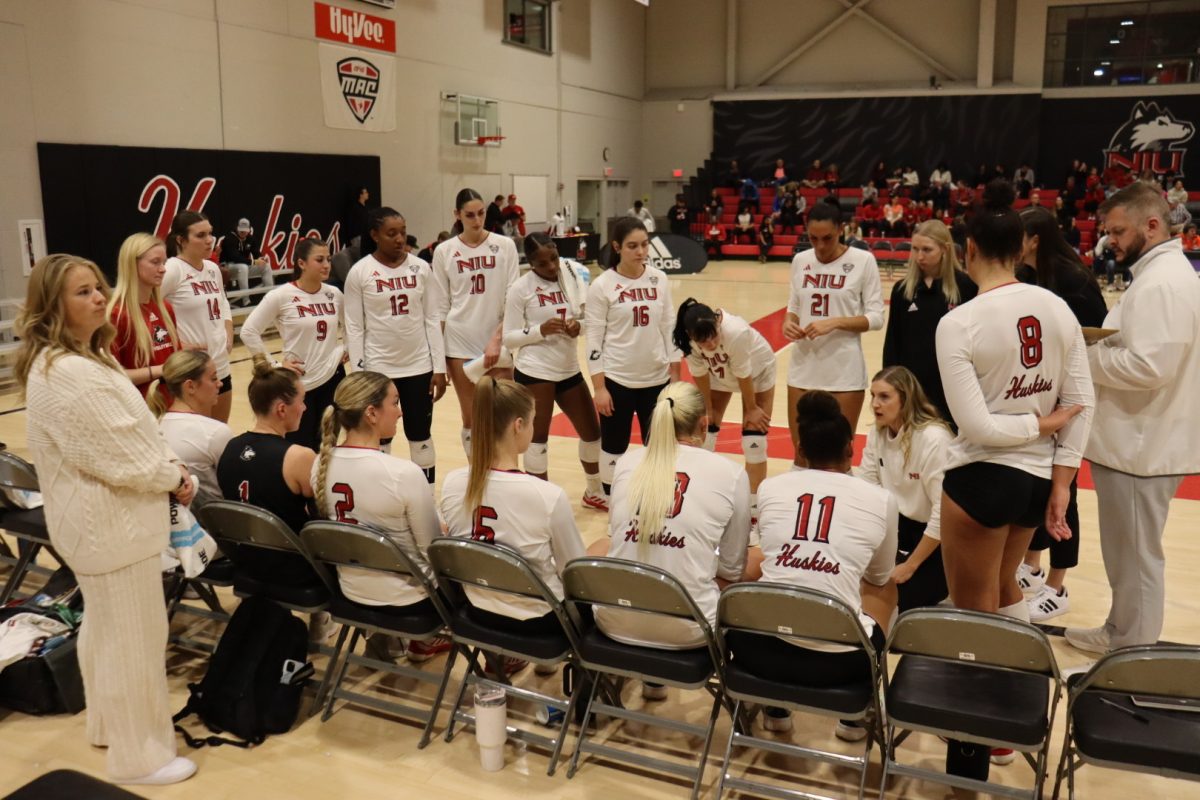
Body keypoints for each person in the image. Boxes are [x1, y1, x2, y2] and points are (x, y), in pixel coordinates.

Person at [17, 254, 198, 785]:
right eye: (82, 292)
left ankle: (108, 725)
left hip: (99, 525)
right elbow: (123, 456)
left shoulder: (75, 360)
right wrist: (174, 476)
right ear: (53, 307)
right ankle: (141, 755)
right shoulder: (70, 372)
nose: (98, 297)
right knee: (135, 638)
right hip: (110, 526)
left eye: (97, 287)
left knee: (106, 629)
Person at [934, 180, 1094, 620]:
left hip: (982, 477)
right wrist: (1062, 483)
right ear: (1020, 247)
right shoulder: (1059, 307)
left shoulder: (958, 322)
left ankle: (984, 689)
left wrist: (1036, 425)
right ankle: (1020, 684)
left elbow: (978, 429)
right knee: (1006, 589)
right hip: (1038, 480)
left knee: (972, 612)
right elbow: (1082, 403)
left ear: (968, 249)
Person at [1065, 182, 1200, 655]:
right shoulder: (1156, 275)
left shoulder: (1164, 282)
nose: (1110, 241)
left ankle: (1135, 656)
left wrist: (1084, 356)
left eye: (1118, 231)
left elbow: (1150, 367)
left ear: (1152, 224)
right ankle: (1119, 631)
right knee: (1125, 555)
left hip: (1145, 446)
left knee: (1139, 559)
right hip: (1134, 442)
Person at [746, 390, 897, 736]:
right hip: (842, 664)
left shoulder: (770, 487)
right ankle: (854, 716)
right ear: (851, 450)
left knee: (759, 567)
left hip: (761, 654)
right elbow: (878, 575)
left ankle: (775, 706)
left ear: (799, 451)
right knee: (885, 586)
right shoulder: (880, 500)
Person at [592, 382, 749, 684]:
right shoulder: (730, 473)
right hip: (690, 630)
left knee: (605, 547)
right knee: (755, 561)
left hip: (613, 619)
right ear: (704, 424)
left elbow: (618, 536)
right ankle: (769, 702)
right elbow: (730, 569)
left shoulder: (627, 462)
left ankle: (644, 680)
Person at [440, 378, 585, 662]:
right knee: (599, 552)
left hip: (476, 609)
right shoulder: (547, 496)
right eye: (532, 421)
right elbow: (575, 575)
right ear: (518, 425)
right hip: (538, 622)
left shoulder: (452, 483)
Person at [311, 370, 447, 662]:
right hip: (409, 601)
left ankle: (384, 642)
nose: (400, 412)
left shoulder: (319, 465)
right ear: (371, 413)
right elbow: (432, 551)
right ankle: (422, 643)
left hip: (349, 590)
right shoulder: (402, 474)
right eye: (395, 403)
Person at [1012, 206, 1108, 620]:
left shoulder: (1074, 280)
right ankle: (1032, 566)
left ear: (1034, 239)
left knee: (1062, 494)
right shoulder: (1032, 276)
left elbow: (1097, 338)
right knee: (1038, 485)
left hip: (1071, 399)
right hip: (1042, 396)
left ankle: (1057, 584)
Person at [344, 207, 446, 481]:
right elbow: (353, 327)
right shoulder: (360, 272)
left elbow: (432, 318)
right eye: (392, 234)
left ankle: (427, 499)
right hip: (378, 370)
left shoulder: (421, 268)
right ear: (375, 235)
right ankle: (383, 495)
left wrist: (439, 367)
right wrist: (359, 372)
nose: (400, 239)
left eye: (402, 232)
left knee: (421, 435)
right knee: (381, 438)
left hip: (419, 367)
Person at [503, 233, 604, 507]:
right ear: (531, 263)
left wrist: (578, 326)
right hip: (535, 371)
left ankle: (594, 492)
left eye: (554, 258)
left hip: (568, 368)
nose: (550, 267)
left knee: (593, 434)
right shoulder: (520, 288)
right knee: (537, 440)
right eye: (542, 263)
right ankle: (541, 501)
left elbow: (589, 320)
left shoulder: (573, 274)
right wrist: (539, 330)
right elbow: (508, 337)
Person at [585, 217, 681, 497]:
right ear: (617, 247)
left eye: (644, 244)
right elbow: (593, 339)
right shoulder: (602, 286)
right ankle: (610, 499)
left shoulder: (658, 278)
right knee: (614, 446)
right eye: (632, 246)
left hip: (656, 378)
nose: (641, 252)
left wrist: (675, 374)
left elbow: (669, 328)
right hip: (618, 380)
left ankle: (655, 496)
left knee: (660, 446)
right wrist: (599, 387)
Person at [782, 203, 884, 464]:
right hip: (803, 367)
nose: (820, 246)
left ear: (842, 230)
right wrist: (788, 322)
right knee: (802, 453)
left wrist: (835, 322)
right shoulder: (801, 261)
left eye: (827, 238)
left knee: (840, 455)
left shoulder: (863, 261)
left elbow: (875, 318)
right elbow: (794, 306)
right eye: (813, 238)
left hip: (844, 371)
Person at [432, 189, 520, 458]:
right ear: (457, 215)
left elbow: (513, 299)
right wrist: (439, 360)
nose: (477, 220)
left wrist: (497, 338)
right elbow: (440, 308)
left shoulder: (505, 246)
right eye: (469, 215)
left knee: (504, 416)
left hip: (497, 340)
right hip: (459, 343)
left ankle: (503, 473)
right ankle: (476, 477)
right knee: (471, 418)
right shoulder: (445, 251)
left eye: (481, 213)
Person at [218, 359, 320, 591]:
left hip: (244, 561)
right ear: (282, 409)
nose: (305, 408)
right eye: (302, 401)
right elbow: (321, 515)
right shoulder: (299, 456)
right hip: (292, 568)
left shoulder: (230, 446)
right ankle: (320, 621)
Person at [857, 367, 952, 611]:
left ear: (906, 398)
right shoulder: (876, 434)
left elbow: (943, 513)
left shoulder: (933, 439)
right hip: (895, 531)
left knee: (890, 602)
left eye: (884, 397)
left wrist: (910, 565)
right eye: (873, 396)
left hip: (938, 541)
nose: (875, 404)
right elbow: (867, 493)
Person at [240, 238, 345, 452]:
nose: (326, 264)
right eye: (319, 259)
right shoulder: (280, 295)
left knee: (328, 447)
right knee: (300, 448)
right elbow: (248, 331)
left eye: (328, 259)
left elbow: (353, 326)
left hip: (332, 379)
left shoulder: (334, 294)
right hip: (298, 384)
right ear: (301, 263)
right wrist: (275, 365)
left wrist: (346, 349)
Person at [673, 298, 774, 518]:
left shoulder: (736, 332)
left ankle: (753, 513)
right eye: (702, 341)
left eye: (713, 336)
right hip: (720, 373)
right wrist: (707, 408)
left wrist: (752, 408)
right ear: (691, 336)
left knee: (754, 436)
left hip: (757, 372)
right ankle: (699, 495)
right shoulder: (687, 340)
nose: (709, 344)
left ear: (717, 321)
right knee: (706, 426)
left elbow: (743, 374)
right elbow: (699, 374)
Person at [882, 219, 977, 425]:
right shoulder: (902, 290)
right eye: (915, 249)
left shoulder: (966, 287)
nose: (919, 256)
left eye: (927, 249)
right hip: (912, 388)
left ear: (945, 249)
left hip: (951, 386)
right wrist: (889, 385)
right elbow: (892, 342)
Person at [161, 210, 234, 422]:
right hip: (192, 371)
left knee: (219, 433)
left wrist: (228, 331)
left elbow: (223, 302)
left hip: (220, 365)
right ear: (181, 240)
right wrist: (177, 346)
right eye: (200, 236)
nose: (209, 240)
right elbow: (149, 311)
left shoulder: (212, 268)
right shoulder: (173, 269)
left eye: (210, 233)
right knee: (197, 442)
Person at [149, 349, 232, 510]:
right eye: (213, 378)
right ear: (190, 386)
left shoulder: (156, 425)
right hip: (211, 528)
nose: (220, 383)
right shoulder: (216, 433)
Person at [107, 233, 181, 400]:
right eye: (155, 262)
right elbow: (111, 376)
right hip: (139, 409)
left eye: (164, 262)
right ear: (132, 264)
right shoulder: (116, 315)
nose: (163, 269)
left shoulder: (165, 308)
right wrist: (162, 370)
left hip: (171, 405)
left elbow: (172, 356)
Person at [221, 218, 274, 306]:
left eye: (245, 231)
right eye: (241, 231)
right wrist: (254, 262)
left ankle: (271, 298)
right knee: (243, 267)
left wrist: (262, 258)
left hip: (244, 267)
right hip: (228, 268)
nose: (243, 233)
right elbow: (235, 257)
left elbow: (256, 253)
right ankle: (246, 301)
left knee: (266, 266)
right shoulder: (229, 238)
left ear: (249, 230)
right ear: (237, 228)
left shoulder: (250, 239)